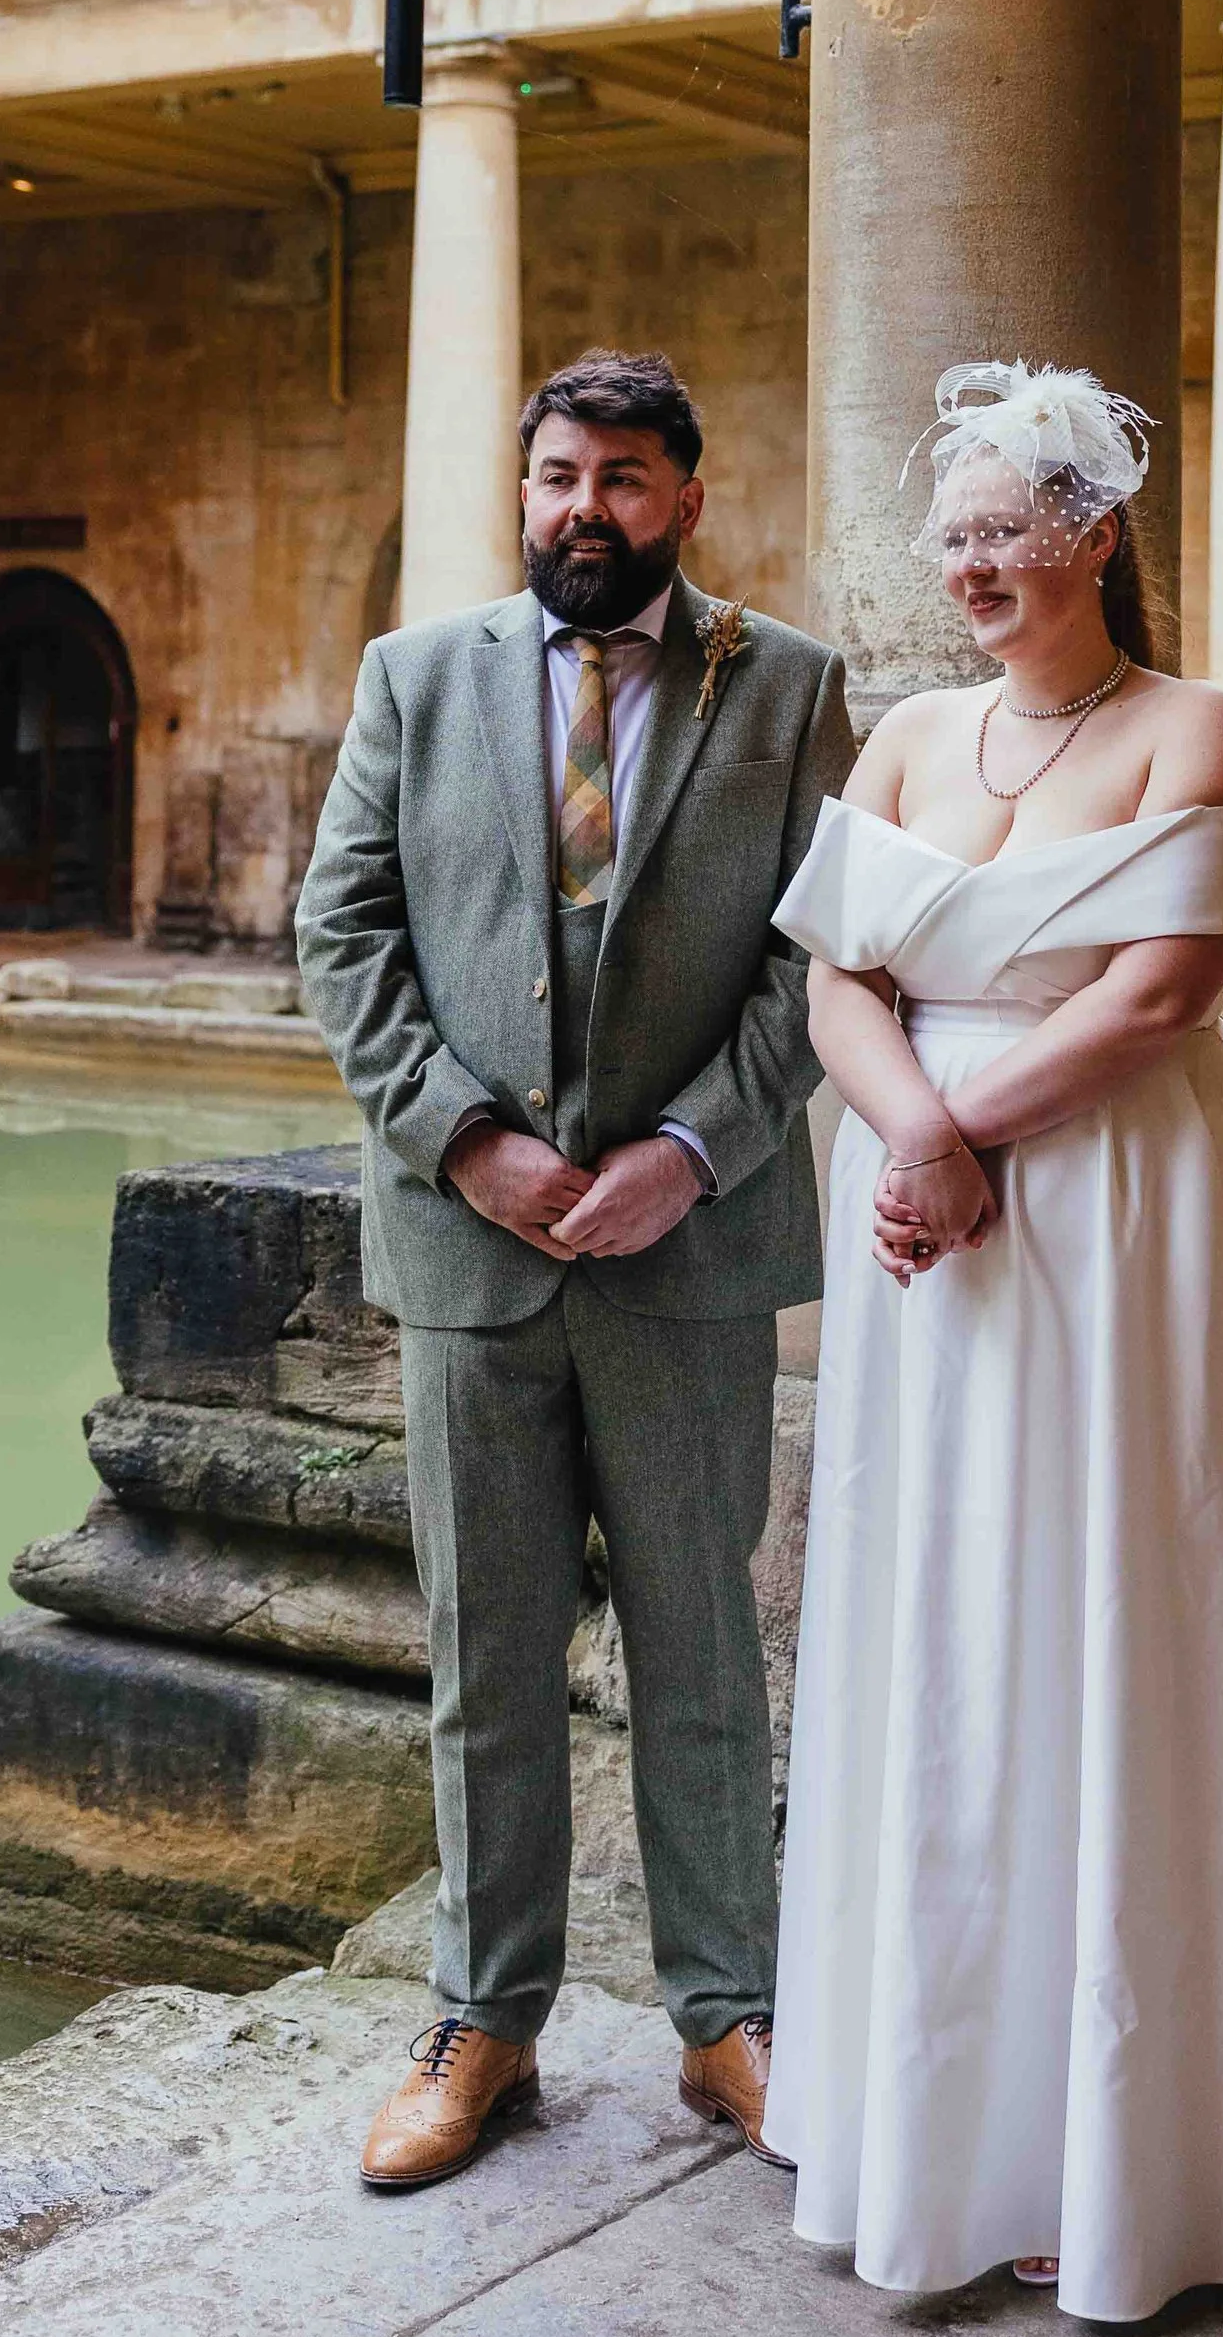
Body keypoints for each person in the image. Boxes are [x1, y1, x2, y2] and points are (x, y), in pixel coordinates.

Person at [763, 361, 1223, 2320]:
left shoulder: (1193, 726)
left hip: (1122, 1201)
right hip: (923, 1201)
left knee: (1125, 1599)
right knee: (942, 1611)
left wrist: (970, 1130)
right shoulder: (900, 740)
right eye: (947, 535)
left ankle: (1143, 2144)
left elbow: (1156, 994)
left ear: (1093, 538)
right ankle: (926, 2105)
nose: (967, 566)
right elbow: (832, 988)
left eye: (1002, 532)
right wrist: (915, 1133)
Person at [298, 347, 855, 2192]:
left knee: (705, 1645)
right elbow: (345, 928)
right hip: (473, 1247)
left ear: (687, 498)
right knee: (485, 1652)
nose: (583, 512)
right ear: (518, 489)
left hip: (685, 1252)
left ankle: (729, 2016)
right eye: (556, 477)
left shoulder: (786, 686)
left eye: (623, 481)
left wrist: (688, 1151)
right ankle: (486, 2020)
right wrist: (473, 1136)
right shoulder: (413, 677)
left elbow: (817, 964)